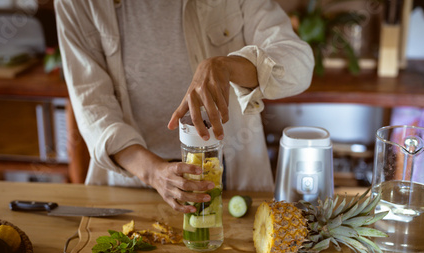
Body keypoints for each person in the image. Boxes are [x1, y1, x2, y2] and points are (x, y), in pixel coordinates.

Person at [55, 0, 314, 213]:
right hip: (131, 182)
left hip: (230, 178)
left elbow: (300, 65)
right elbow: (93, 105)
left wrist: (229, 65)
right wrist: (154, 172)